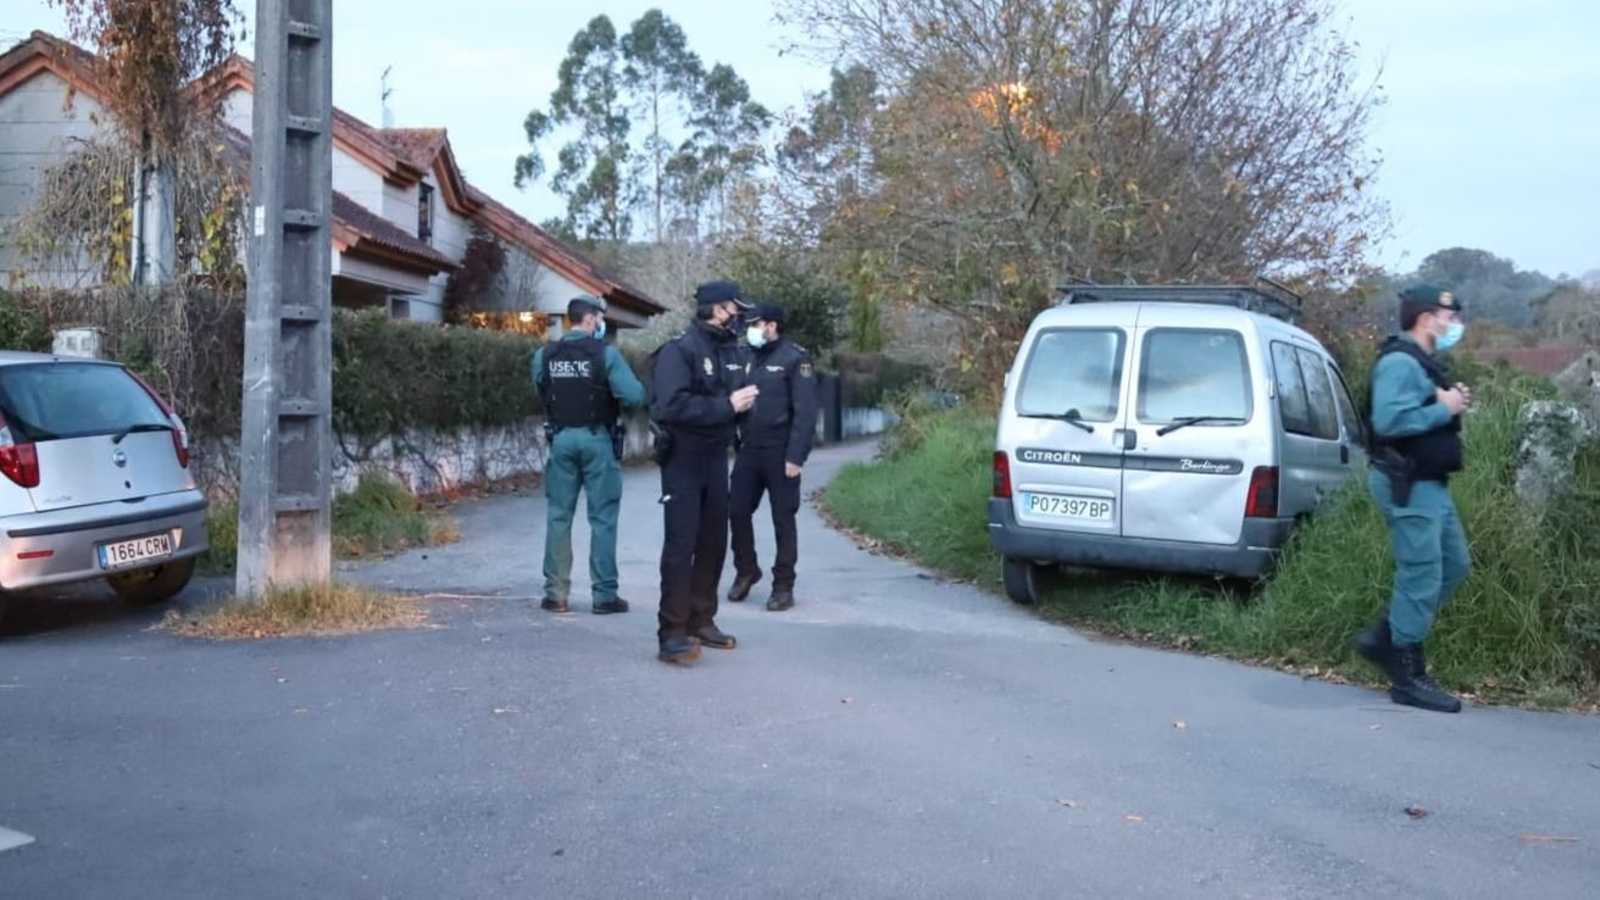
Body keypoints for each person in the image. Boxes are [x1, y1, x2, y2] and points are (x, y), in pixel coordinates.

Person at [1353, 284, 1473, 713]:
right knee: (1421, 571)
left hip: (1429, 483)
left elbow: (1417, 409)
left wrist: (1449, 400)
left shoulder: (1420, 363)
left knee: (1455, 565)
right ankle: (1407, 675)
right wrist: (1446, 407)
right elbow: (1389, 420)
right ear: (1426, 319)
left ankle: (1384, 637)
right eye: (1449, 318)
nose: (1455, 325)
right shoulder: (1399, 362)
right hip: (1406, 481)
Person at [648, 280, 758, 664]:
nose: (738, 316)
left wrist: (744, 412)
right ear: (715, 307)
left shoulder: (731, 351)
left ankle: (701, 618)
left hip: (715, 457)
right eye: (733, 308)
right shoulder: (680, 350)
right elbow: (672, 406)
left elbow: (738, 402)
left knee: (714, 541)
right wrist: (727, 406)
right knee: (681, 544)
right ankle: (672, 632)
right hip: (683, 456)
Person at [531, 295, 646, 616]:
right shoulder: (605, 354)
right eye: (600, 318)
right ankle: (604, 596)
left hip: (561, 438)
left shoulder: (544, 355)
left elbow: (541, 391)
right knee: (603, 518)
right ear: (592, 319)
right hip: (597, 439)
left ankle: (556, 595)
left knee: (558, 516)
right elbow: (635, 396)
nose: (601, 323)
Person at [727, 302, 819, 612]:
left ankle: (783, 585)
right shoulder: (746, 356)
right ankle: (746, 569)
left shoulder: (795, 358)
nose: (750, 330)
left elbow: (806, 412)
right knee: (737, 510)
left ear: (772, 325)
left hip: (781, 451)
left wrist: (796, 456)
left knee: (783, 518)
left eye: (756, 324)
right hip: (749, 449)